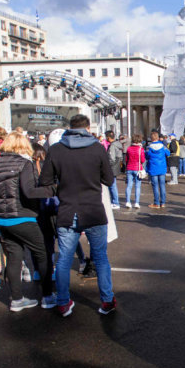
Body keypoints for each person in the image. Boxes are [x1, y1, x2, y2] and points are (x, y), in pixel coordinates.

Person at [38, 114, 116, 317]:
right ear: (87, 128)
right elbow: (109, 179)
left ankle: (63, 302)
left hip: (67, 210)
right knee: (100, 258)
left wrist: (63, 187)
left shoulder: (56, 149)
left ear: (69, 128)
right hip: (93, 210)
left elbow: (45, 181)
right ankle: (107, 300)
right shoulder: (97, 148)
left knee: (64, 259)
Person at [0, 132, 57, 312]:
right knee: (42, 254)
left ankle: (17, 300)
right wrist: (52, 189)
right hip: (22, 216)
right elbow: (29, 192)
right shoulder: (24, 164)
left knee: (14, 258)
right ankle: (48, 296)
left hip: (2, 219)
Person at [145, 132, 169, 208]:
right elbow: (168, 153)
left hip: (153, 168)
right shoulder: (163, 146)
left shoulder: (149, 147)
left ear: (151, 138)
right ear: (158, 138)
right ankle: (163, 202)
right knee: (162, 185)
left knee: (155, 186)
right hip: (162, 168)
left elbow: (146, 156)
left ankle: (156, 203)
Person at [123, 134, 145, 208]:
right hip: (138, 169)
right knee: (137, 186)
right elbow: (143, 160)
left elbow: (126, 160)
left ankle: (128, 202)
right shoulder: (140, 149)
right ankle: (136, 203)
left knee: (129, 186)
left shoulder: (129, 148)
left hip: (129, 168)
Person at [106, 131, 124, 209]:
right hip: (116, 167)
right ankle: (115, 201)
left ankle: (115, 202)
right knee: (113, 185)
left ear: (108, 137)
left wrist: (107, 165)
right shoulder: (118, 144)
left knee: (112, 185)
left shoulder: (112, 146)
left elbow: (111, 158)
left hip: (112, 167)